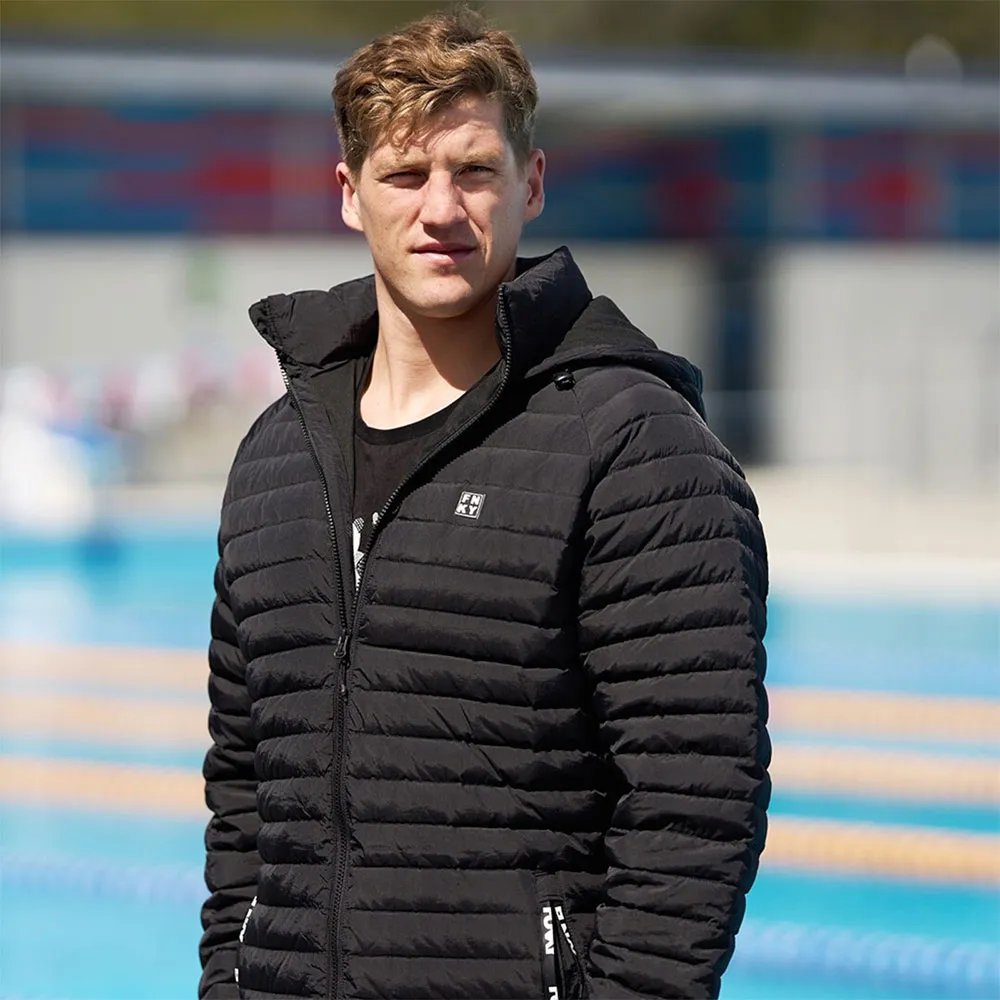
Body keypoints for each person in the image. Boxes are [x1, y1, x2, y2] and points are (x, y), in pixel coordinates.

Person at [199, 9, 770, 1000]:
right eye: (404, 175)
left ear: (531, 184)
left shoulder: (631, 444)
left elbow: (694, 799)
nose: (441, 208)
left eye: (473, 170)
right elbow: (245, 791)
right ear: (349, 194)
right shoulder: (275, 459)